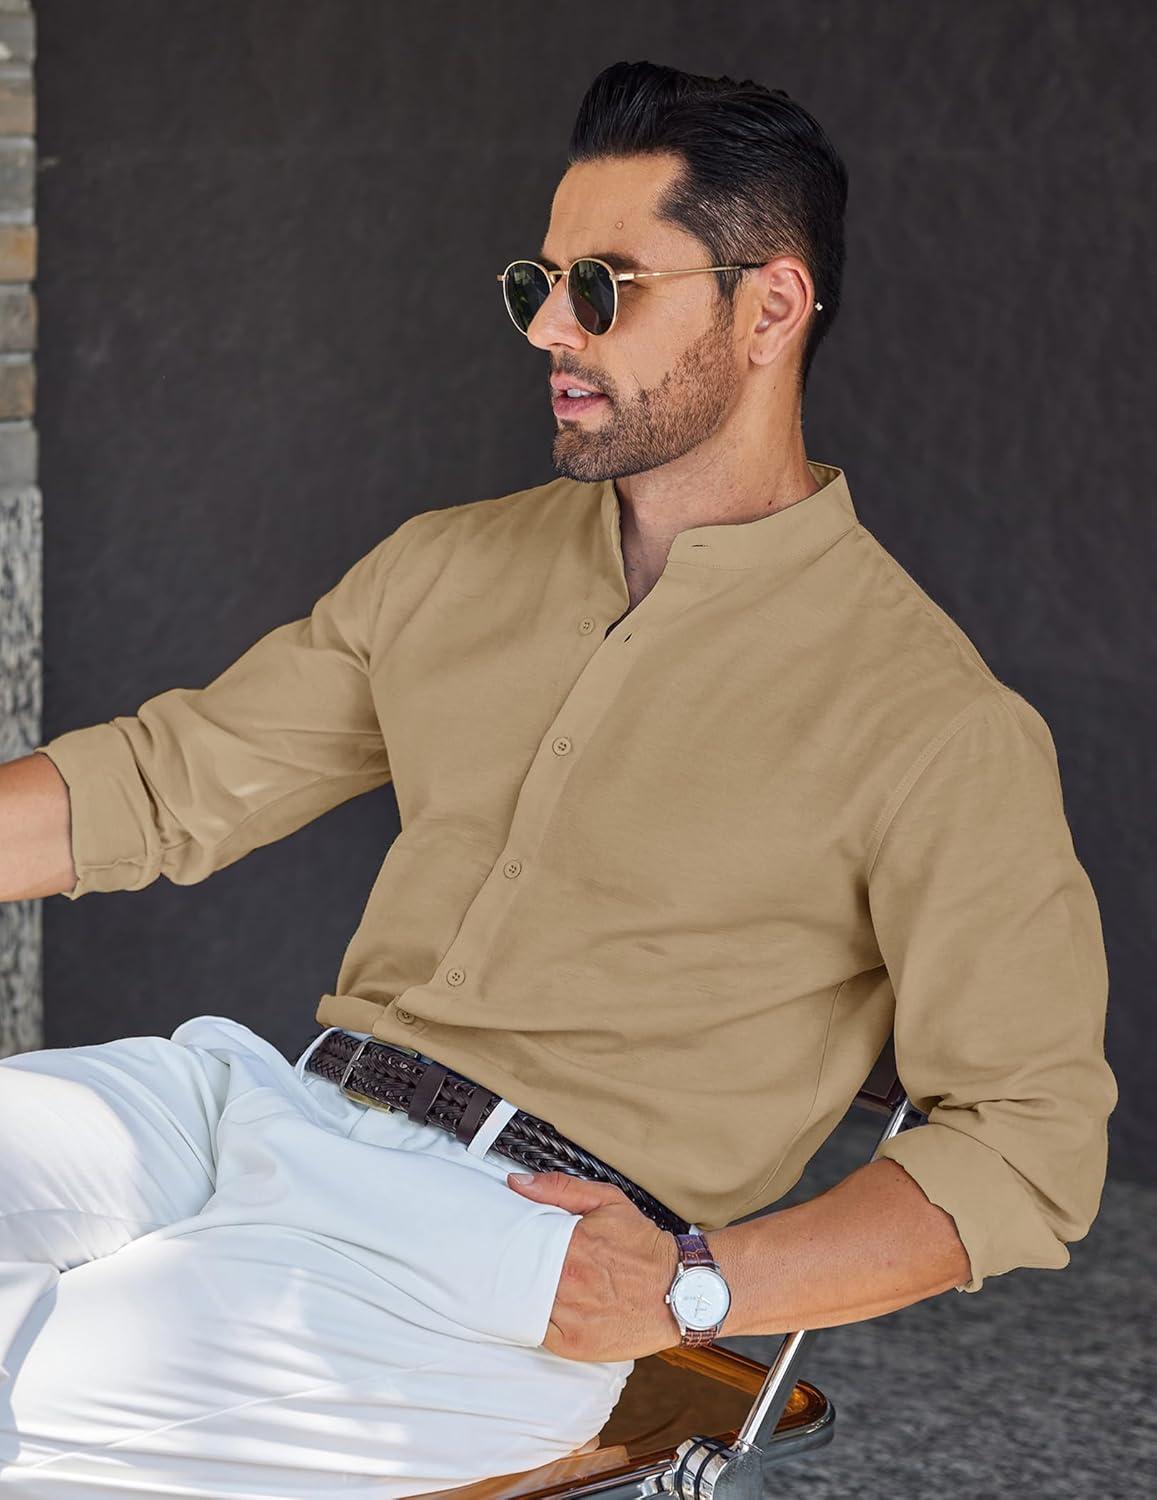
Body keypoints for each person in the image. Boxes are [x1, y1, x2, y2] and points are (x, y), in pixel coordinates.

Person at [0, 59, 1117, 1499]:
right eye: (540, 282)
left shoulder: (934, 723)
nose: (547, 326)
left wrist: (696, 1287)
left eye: (605, 288)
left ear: (769, 307)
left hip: (502, 1260)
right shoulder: (451, 565)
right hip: (245, 1111)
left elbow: (1026, 1144)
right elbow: (166, 783)